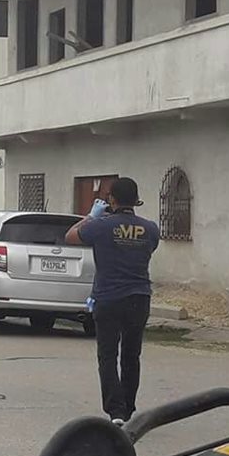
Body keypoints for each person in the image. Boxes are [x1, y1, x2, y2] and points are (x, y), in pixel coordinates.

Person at [65, 177, 160, 425]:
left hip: (108, 298)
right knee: (131, 355)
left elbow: (71, 236)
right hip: (139, 297)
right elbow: (148, 250)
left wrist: (91, 216)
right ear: (136, 200)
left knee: (107, 356)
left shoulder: (101, 226)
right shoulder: (150, 229)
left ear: (112, 199)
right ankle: (128, 409)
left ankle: (115, 412)